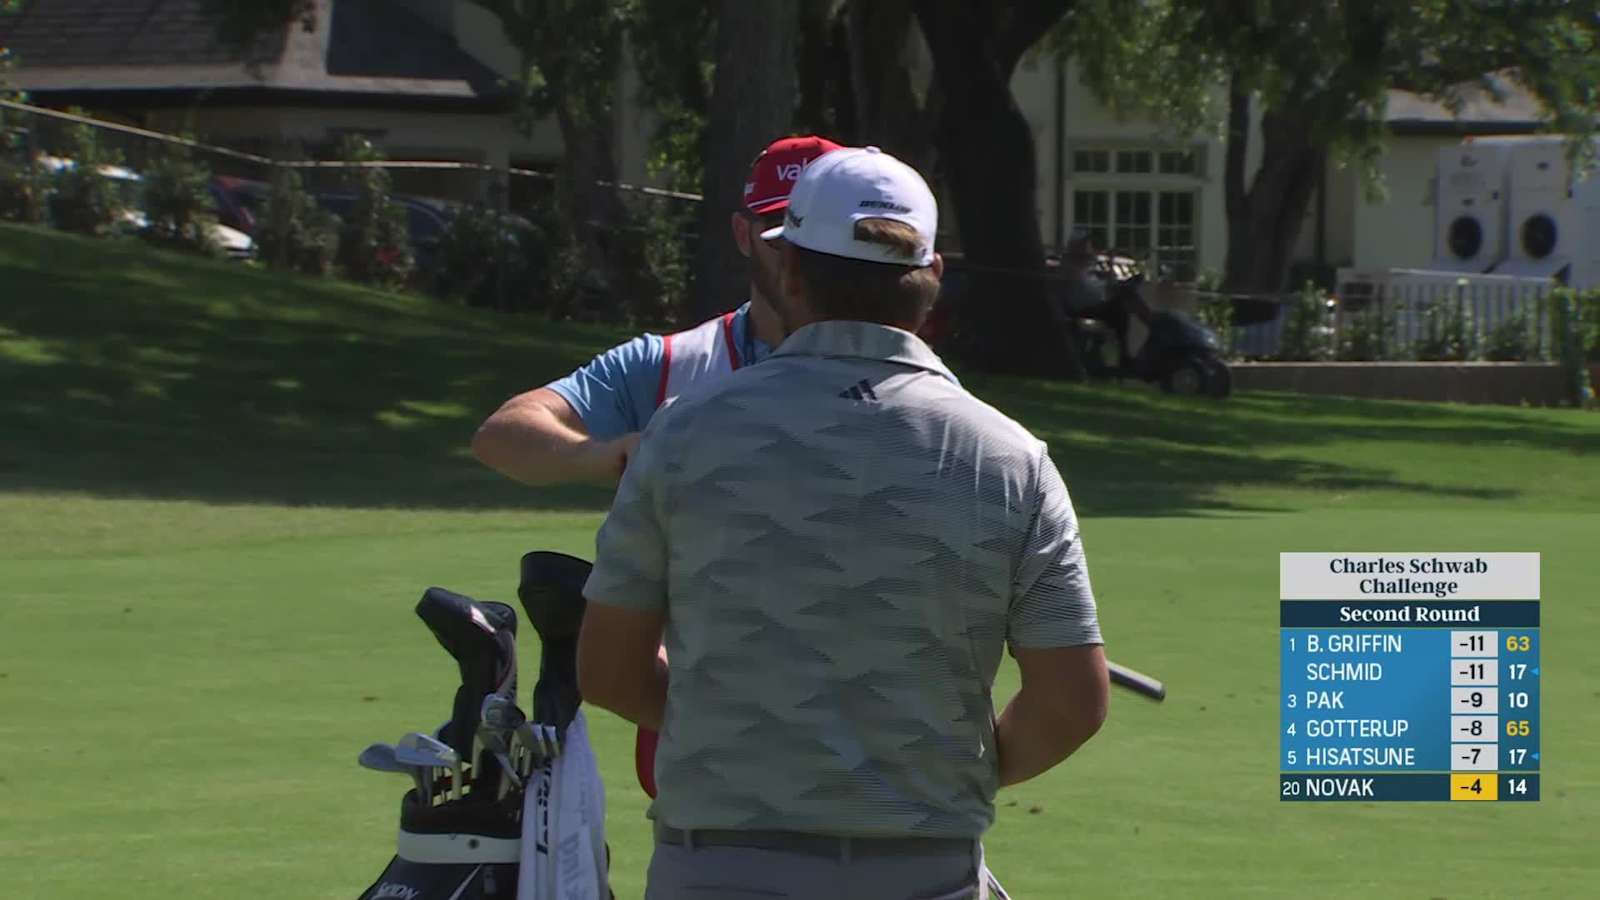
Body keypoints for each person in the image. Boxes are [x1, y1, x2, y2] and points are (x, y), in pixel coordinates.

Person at [576, 146, 1109, 900]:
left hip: (718, 870)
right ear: (932, 278)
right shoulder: (1010, 458)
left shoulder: (684, 432)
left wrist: (738, 729)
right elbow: (1071, 702)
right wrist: (946, 770)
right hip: (925, 873)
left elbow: (607, 669)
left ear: (790, 269)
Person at [471, 135, 843, 798]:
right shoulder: (671, 364)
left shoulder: (903, 379)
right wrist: (607, 455)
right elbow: (504, 435)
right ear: (743, 234)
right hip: (700, 728)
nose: (796, 253)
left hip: (854, 716)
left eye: (815, 232)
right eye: (778, 230)